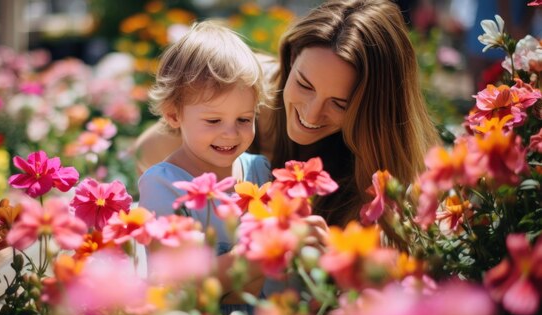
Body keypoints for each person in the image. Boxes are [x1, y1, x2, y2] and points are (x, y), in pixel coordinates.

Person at [134, 0, 440, 228]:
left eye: (340, 104)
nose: (311, 113)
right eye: (305, 85)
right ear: (292, 57)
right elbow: (147, 153)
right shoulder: (239, 93)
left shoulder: (380, 160)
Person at [137, 20, 270, 315]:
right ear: (173, 115)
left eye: (244, 119)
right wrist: (259, 259)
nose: (231, 134)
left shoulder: (260, 171)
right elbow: (176, 289)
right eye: (213, 121)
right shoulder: (163, 184)